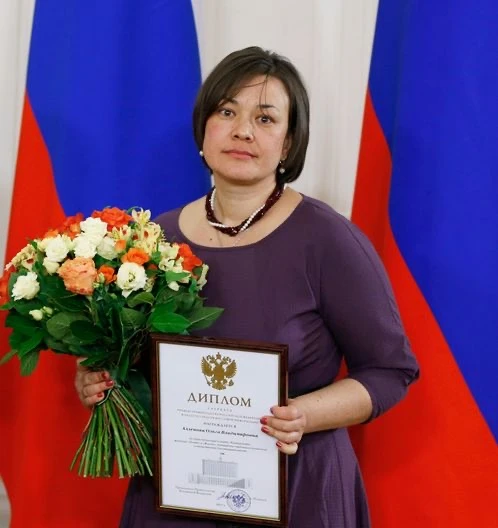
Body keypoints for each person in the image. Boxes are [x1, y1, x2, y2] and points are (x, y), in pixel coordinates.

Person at [75, 46, 419, 528]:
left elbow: (390, 371)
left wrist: (302, 414)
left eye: (265, 118)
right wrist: (98, 380)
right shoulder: (151, 241)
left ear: (289, 143)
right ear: (203, 127)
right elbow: (132, 363)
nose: (242, 131)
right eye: (227, 111)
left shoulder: (328, 240)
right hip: (174, 495)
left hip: (296, 491)